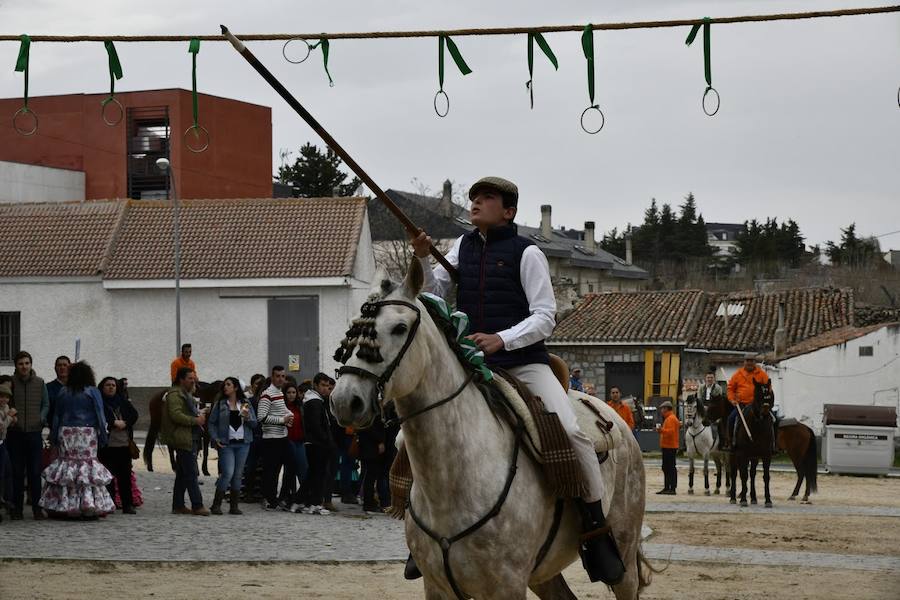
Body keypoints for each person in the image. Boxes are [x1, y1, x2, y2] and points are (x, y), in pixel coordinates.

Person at [411, 177, 624, 584]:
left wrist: (502, 339)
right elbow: (431, 290)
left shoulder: (528, 253)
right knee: (413, 434)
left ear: (508, 211)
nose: (475, 202)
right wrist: (421, 258)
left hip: (525, 363)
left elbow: (546, 315)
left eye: (486, 198)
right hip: (471, 365)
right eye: (474, 197)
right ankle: (422, 536)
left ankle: (596, 534)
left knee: (571, 433)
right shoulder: (462, 247)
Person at [40, 361, 115, 518]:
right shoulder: (93, 391)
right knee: (87, 467)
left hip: (66, 431)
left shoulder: (63, 391)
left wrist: (54, 437)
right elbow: (100, 415)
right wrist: (103, 435)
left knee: (67, 466)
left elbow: (57, 416)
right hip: (87, 432)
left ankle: (63, 505)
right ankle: (88, 505)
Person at [161, 367, 209, 516]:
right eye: (190, 378)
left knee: (182, 473)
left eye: (193, 378)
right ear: (181, 379)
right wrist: (195, 420)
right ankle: (197, 505)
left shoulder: (185, 394)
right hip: (182, 437)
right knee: (191, 472)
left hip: (189, 436)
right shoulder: (175, 395)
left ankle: (178, 505)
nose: (193, 381)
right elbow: (176, 415)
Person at [7, 351, 50, 520]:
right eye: (20, 363)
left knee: (34, 472)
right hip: (15, 434)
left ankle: (37, 509)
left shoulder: (40, 383)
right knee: (17, 473)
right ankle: (16, 508)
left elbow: (46, 404)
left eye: (27, 363)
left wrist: (41, 417)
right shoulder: (10, 383)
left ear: (31, 364)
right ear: (16, 366)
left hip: (34, 433)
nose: (24, 366)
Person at [207, 377, 257, 515]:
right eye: (225, 385)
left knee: (238, 474)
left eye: (228, 385)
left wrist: (247, 417)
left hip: (243, 443)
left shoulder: (245, 403)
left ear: (236, 387)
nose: (225, 387)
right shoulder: (221, 404)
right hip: (226, 443)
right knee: (228, 473)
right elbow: (211, 423)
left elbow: (254, 424)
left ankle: (234, 506)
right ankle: (216, 504)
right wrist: (215, 438)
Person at [96, 376, 139, 514]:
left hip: (123, 444)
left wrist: (125, 423)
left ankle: (127, 504)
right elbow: (98, 417)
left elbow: (134, 415)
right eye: (107, 385)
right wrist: (112, 422)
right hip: (107, 445)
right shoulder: (99, 402)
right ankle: (110, 503)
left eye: (113, 385)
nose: (111, 387)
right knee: (107, 476)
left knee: (125, 476)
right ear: (102, 387)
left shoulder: (122, 401)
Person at [257, 366, 294, 511]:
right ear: (272, 377)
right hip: (271, 438)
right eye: (277, 376)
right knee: (271, 471)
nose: (280, 379)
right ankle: (269, 498)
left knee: (291, 466)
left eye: (283, 376)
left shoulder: (279, 393)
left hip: (283, 437)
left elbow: (282, 410)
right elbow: (261, 417)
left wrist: (289, 415)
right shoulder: (267, 394)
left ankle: (282, 496)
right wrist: (281, 420)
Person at [300, 373, 335, 515]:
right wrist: (326, 441)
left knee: (314, 473)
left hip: (315, 442)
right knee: (319, 474)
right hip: (317, 443)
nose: (326, 389)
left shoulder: (317, 400)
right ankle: (314, 502)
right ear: (315, 385)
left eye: (327, 386)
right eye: (323, 385)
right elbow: (316, 425)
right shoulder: (314, 401)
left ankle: (301, 500)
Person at [725, 355, 771, 451]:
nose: (749, 363)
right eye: (747, 361)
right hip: (742, 404)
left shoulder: (761, 374)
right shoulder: (737, 374)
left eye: (752, 361)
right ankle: (731, 443)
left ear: (755, 362)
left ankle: (773, 444)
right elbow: (730, 389)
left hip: (758, 406)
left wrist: (767, 401)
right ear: (744, 362)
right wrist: (732, 399)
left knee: (774, 419)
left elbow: (768, 388)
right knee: (731, 419)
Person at [280, 383, 309, 512]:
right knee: (289, 471)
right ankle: (287, 497)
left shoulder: (300, 406)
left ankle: (303, 496)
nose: (291, 395)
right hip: (287, 441)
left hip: (300, 441)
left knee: (303, 469)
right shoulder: (281, 407)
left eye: (293, 392)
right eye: (289, 392)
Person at [357, 414, 393, 513]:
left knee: (370, 476)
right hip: (371, 449)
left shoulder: (368, 414)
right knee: (370, 476)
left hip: (369, 448)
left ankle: (369, 502)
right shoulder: (371, 415)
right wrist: (380, 441)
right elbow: (371, 429)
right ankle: (368, 503)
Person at [241, 373, 267, 502]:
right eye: (257, 384)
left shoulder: (267, 401)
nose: (260, 387)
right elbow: (242, 416)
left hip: (266, 437)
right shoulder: (247, 402)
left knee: (266, 467)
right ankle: (248, 492)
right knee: (250, 466)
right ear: (252, 386)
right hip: (252, 437)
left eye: (262, 384)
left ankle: (263, 493)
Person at [656, 400, 680, 495]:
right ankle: (668, 487)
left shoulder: (670, 419)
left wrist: (661, 430)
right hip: (668, 446)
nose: (661, 410)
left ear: (666, 408)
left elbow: (670, 432)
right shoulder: (670, 418)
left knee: (669, 467)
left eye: (662, 408)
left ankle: (671, 488)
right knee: (667, 467)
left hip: (670, 447)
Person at [696, 370, 726, 445]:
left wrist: (709, 407)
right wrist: (703, 407)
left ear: (714, 379)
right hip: (703, 408)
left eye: (711, 378)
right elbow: (699, 399)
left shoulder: (718, 388)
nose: (709, 379)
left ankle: (715, 441)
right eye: (708, 377)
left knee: (715, 426)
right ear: (705, 378)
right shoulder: (701, 387)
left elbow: (718, 401)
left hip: (713, 409)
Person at [0, 382, 14, 519]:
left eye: (6, 397)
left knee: (7, 473)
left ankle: (7, 501)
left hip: (3, 443)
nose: (4, 400)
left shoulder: (5, 408)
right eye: (1, 397)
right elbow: (1, 427)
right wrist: (10, 416)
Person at [45, 356, 71, 430]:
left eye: (65, 365)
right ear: (55, 368)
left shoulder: (76, 388)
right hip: (54, 428)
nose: (62, 367)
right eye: (59, 365)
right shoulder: (47, 388)